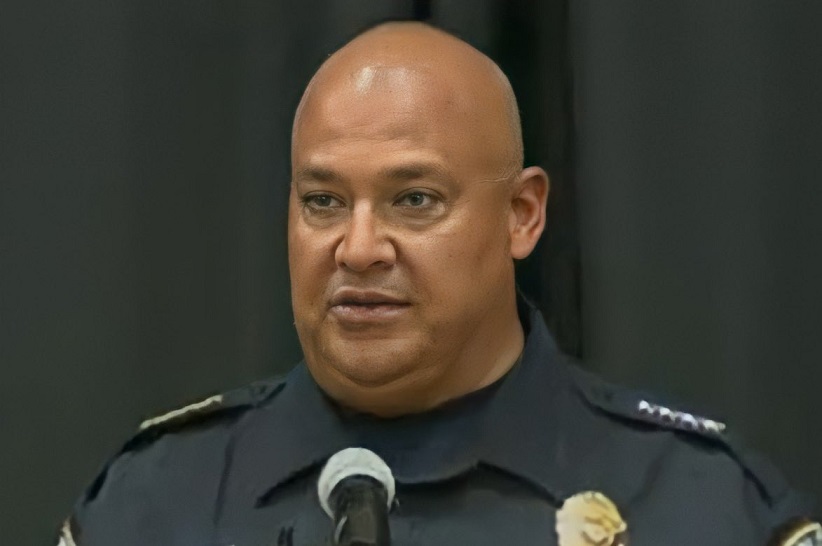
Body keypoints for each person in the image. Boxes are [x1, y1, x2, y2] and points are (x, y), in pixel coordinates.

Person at [58, 21, 818, 546]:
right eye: (323, 201)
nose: (358, 248)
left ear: (522, 216)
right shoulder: (153, 505)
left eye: (414, 200)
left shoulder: (699, 508)